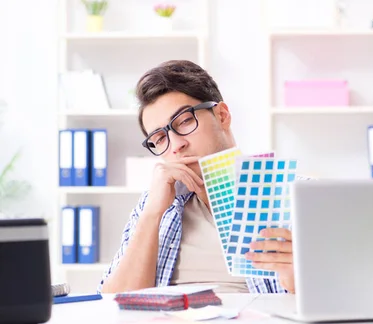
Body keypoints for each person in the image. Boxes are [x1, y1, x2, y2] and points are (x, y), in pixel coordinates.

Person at [98, 60, 296, 295]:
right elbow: (113, 302)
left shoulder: (295, 197)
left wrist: (298, 279)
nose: (177, 145)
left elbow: (336, 304)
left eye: (184, 121)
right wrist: (152, 214)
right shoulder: (156, 204)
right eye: (160, 139)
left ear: (222, 115)